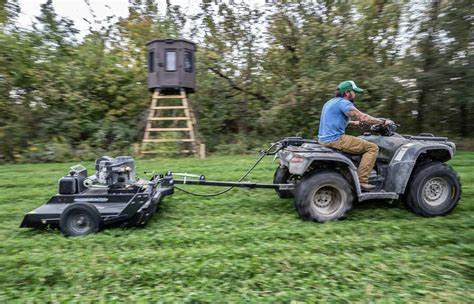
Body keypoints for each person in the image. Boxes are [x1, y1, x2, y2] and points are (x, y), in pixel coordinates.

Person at [317, 80, 392, 191]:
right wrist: (383, 122)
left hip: (323, 139)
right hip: (336, 139)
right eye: (354, 91)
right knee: (372, 148)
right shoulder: (344, 103)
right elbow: (363, 117)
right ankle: (362, 181)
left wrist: (357, 124)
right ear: (347, 92)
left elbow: (338, 121)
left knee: (359, 142)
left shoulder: (330, 103)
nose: (355, 94)